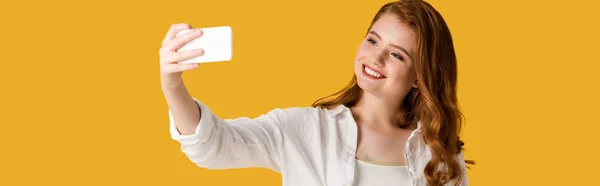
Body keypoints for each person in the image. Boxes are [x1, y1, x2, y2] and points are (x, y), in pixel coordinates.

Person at [159, 0, 474, 185]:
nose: (375, 59)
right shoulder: (304, 129)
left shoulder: (439, 155)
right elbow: (214, 146)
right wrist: (173, 88)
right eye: (373, 40)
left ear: (420, 76)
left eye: (397, 55)